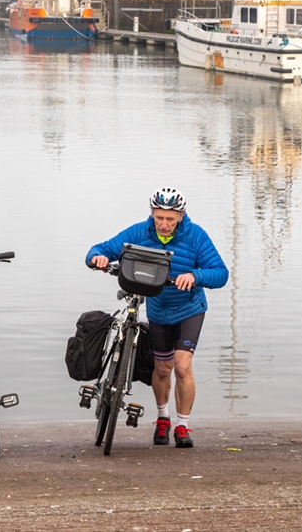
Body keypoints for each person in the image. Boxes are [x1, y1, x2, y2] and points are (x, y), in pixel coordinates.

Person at [85, 187, 228, 449]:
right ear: (152, 214)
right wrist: (98, 257)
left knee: (182, 366)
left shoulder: (196, 236)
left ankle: (182, 425)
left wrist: (196, 276)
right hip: (158, 309)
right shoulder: (140, 232)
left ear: (181, 215)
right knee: (162, 368)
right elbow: (99, 248)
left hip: (189, 309)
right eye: (159, 217)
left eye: (170, 219)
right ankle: (163, 419)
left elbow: (220, 273)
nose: (163, 224)